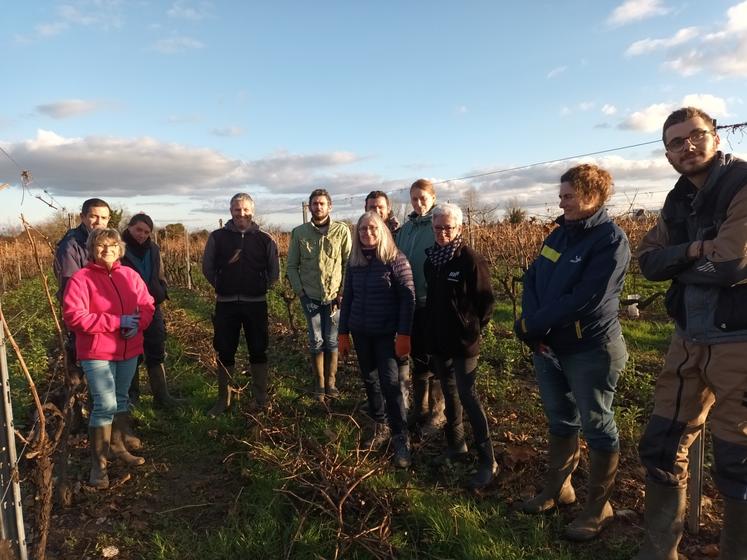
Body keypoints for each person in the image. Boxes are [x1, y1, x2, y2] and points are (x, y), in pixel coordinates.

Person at [634, 107, 747, 559]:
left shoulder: (741, 184)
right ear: (667, 154)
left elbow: (730, 263)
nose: (687, 147)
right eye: (675, 143)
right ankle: (661, 550)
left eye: (695, 136)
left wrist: (681, 262)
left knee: (738, 458)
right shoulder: (677, 199)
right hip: (687, 340)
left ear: (715, 138)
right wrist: (696, 249)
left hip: (737, 338)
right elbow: (647, 261)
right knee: (662, 444)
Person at [515, 164, 630, 541]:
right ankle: (558, 489)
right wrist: (532, 324)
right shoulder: (559, 236)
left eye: (567, 195)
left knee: (597, 423)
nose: (560, 201)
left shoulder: (610, 241)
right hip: (550, 346)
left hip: (590, 348)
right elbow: (533, 278)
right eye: (561, 194)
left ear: (592, 196)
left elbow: (587, 299)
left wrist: (536, 324)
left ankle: (599, 507)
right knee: (560, 420)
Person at [62, 228, 155, 489]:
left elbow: (147, 304)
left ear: (119, 249)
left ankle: (117, 446)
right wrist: (117, 321)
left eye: (112, 246)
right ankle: (98, 466)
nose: (107, 250)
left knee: (121, 398)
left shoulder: (130, 275)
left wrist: (139, 324)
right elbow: (74, 316)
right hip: (96, 351)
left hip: (128, 348)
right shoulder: (82, 279)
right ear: (92, 249)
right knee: (104, 404)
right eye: (101, 246)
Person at [424, 203, 496, 488]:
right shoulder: (432, 261)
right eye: (437, 228)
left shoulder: (470, 260)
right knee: (449, 392)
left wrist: (471, 329)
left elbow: (486, 303)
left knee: (468, 394)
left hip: (463, 342)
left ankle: (488, 460)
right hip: (438, 339)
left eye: (448, 228)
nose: (442, 233)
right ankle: (456, 447)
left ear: (459, 229)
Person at [338, 211, 415, 467]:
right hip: (361, 332)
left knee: (391, 384)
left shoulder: (395, 259)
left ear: (381, 230)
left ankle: (401, 436)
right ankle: (379, 424)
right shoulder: (355, 262)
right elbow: (347, 298)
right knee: (370, 380)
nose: (367, 233)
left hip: (386, 333)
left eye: (372, 228)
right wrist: (343, 332)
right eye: (362, 230)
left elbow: (408, 298)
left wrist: (404, 333)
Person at [202, 193, 280, 415]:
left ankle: (260, 399)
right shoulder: (217, 237)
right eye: (237, 210)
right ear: (230, 211)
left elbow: (274, 271)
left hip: (256, 303)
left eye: (245, 210)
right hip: (226, 304)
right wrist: (221, 283)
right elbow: (207, 268)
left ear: (252, 211)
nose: (241, 214)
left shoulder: (265, 239)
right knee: (225, 350)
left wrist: (262, 285)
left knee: (258, 349)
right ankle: (223, 400)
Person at [287, 188, 351, 402]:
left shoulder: (341, 231)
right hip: (311, 297)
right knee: (316, 340)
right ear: (310, 207)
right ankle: (319, 384)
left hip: (335, 298)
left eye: (322, 203)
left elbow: (347, 263)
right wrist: (301, 293)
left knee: (332, 340)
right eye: (314, 204)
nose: (318, 207)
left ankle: (331, 383)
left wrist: (343, 291)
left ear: (329, 206)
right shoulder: (299, 233)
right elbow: (291, 267)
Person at [396, 179, 445, 433]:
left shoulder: (438, 225)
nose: (418, 203)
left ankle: (438, 413)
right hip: (410, 301)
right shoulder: (406, 229)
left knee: (434, 357)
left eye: (423, 198)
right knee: (417, 356)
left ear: (433, 198)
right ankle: (421, 409)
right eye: (414, 198)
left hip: (432, 301)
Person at [121, 213, 182, 410]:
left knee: (156, 347)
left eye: (147, 232)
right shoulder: (118, 248)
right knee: (131, 353)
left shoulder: (153, 248)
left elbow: (160, 273)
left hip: (152, 306)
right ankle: (133, 398)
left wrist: (162, 290)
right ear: (129, 227)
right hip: (128, 308)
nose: (142, 235)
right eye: (138, 230)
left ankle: (162, 396)